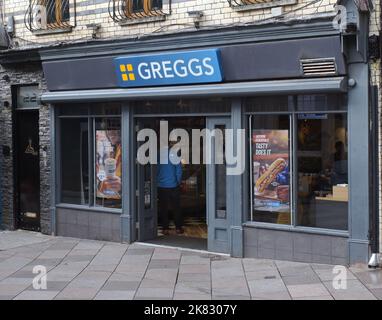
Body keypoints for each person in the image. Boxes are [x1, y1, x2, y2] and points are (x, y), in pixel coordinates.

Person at [157, 143, 184, 235]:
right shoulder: (174, 155)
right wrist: (178, 182)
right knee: (176, 207)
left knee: (163, 208)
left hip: (161, 186)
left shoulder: (157, 154)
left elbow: (153, 170)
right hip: (173, 185)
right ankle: (178, 228)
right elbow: (179, 170)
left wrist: (157, 180)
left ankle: (165, 229)